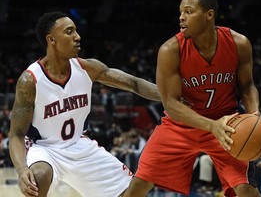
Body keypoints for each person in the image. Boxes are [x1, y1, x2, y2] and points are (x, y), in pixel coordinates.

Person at [124, 0, 261, 197]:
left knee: (246, 191)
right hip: (181, 125)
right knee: (139, 185)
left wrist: (255, 115)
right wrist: (210, 126)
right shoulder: (170, 50)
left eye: (188, 11)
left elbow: (248, 86)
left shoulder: (239, 43)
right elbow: (171, 104)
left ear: (209, 15)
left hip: (227, 124)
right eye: (180, 12)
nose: (181, 17)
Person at [8, 11, 161, 197]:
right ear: (52, 40)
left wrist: (171, 96)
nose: (77, 37)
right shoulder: (30, 80)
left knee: (132, 192)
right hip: (45, 149)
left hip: (79, 144)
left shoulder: (87, 68)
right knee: (37, 178)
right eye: (69, 32)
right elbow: (16, 134)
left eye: (76, 31)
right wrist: (22, 169)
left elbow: (134, 84)